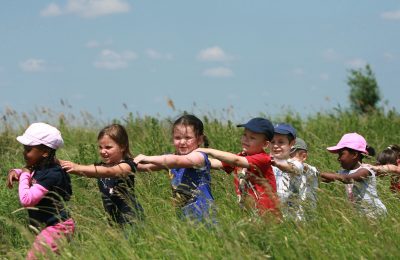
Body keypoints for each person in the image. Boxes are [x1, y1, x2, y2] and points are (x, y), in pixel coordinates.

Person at [6, 122, 74, 259]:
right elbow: (33, 174)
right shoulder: (42, 167)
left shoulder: (52, 174)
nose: (24, 153)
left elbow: (27, 200)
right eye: (25, 149)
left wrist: (24, 174)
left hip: (58, 227)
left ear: (45, 152)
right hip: (49, 226)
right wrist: (16, 172)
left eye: (28, 149)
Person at [133, 114, 215, 223]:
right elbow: (143, 167)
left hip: (204, 219)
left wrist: (146, 157)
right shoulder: (172, 159)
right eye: (177, 138)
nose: (182, 142)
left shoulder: (199, 156)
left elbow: (177, 161)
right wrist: (125, 163)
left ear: (199, 139)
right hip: (183, 219)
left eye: (188, 138)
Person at [61, 124, 144, 226]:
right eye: (100, 147)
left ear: (122, 147)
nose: (103, 151)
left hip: (132, 217)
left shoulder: (128, 165)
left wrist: (77, 167)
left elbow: (110, 171)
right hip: (113, 218)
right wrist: (54, 161)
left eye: (108, 147)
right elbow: (84, 170)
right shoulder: (100, 167)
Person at [196, 117, 279, 217]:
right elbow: (213, 163)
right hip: (249, 213)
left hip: (267, 214)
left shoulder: (263, 159)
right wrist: (188, 157)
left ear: (265, 144)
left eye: (252, 138)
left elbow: (236, 160)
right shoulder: (242, 156)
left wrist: (207, 150)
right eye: (244, 135)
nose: (246, 139)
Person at [320, 133, 387, 218]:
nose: (338, 158)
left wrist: (321, 173)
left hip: (375, 213)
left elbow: (348, 179)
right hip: (360, 214)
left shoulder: (365, 170)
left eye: (341, 154)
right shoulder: (343, 172)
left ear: (355, 155)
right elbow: (328, 178)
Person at [270, 123, 304, 220]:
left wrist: (275, 162)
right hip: (272, 218)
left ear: (292, 144)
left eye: (281, 142)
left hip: (292, 220)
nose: (276, 146)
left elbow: (290, 168)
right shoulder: (267, 164)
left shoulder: (296, 163)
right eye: (272, 142)